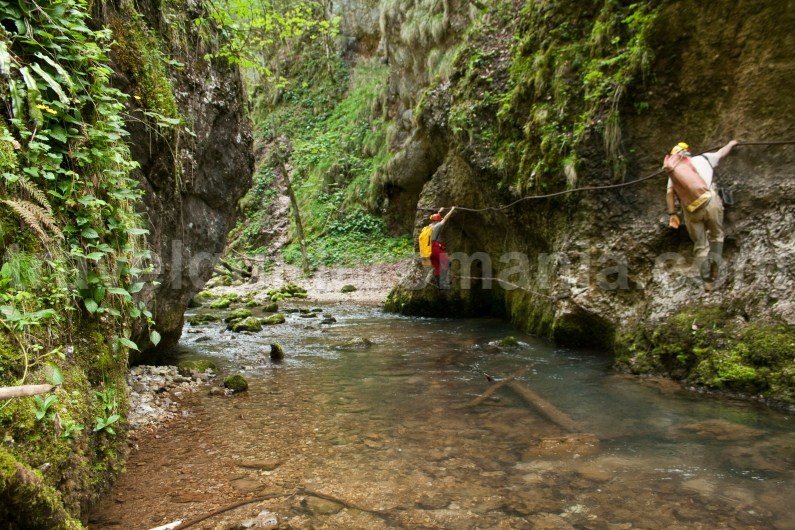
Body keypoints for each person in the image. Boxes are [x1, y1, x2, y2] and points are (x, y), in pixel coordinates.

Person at [664, 139, 738, 288]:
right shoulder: (703, 158)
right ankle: (715, 269)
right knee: (716, 235)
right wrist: (731, 144)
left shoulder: (674, 172)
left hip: (690, 210)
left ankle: (707, 280)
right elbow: (721, 153)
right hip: (710, 203)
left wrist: (672, 214)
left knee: (700, 245)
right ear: (688, 153)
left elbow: (669, 193)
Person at [428, 206, 457, 289]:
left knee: (437, 266)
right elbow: (445, 218)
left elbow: (436, 218)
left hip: (429, 250)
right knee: (447, 262)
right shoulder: (437, 226)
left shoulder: (429, 226)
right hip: (436, 248)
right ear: (437, 221)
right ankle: (443, 282)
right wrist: (452, 209)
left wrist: (439, 212)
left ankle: (440, 284)